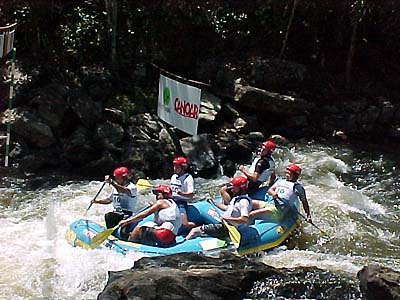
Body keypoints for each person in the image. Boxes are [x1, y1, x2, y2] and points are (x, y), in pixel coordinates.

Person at [185, 176, 252, 240]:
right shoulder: (236, 199)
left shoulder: (244, 202)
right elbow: (227, 208)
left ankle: (183, 246)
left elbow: (244, 219)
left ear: (241, 188)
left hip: (228, 228)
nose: (232, 190)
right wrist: (213, 202)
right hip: (226, 225)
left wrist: (227, 219)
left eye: (235, 188)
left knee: (194, 231)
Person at [170, 156, 196, 228]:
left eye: (177, 167)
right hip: (171, 200)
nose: (174, 168)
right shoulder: (173, 177)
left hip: (181, 202)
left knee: (185, 224)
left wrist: (182, 194)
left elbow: (191, 194)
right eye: (174, 166)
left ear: (183, 168)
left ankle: (195, 227)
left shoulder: (188, 178)